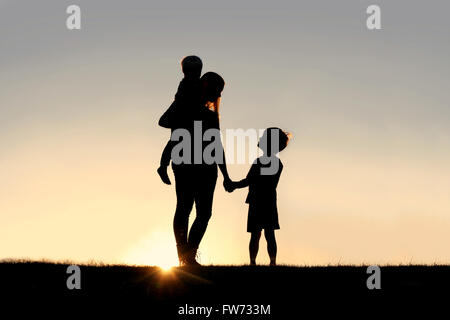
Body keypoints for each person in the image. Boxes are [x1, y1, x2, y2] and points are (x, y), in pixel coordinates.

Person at [169, 72, 232, 266]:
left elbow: (217, 145)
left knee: (201, 212)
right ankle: (185, 256)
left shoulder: (208, 115)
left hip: (202, 167)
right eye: (217, 89)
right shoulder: (186, 107)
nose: (218, 94)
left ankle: (188, 255)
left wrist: (226, 176)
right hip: (188, 164)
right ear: (207, 86)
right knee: (186, 208)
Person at [228, 128, 291, 266]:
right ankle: (269, 262)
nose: (260, 139)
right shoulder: (276, 163)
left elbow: (250, 180)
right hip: (267, 201)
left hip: (258, 202)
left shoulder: (262, 162)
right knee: (268, 234)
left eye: (263, 138)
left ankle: (254, 262)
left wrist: (234, 185)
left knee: (257, 235)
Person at [157, 55, 203, 185]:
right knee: (175, 139)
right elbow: (182, 100)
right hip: (183, 116)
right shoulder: (185, 84)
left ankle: (163, 166)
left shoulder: (197, 84)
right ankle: (163, 166)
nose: (194, 72)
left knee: (175, 140)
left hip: (188, 120)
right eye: (192, 70)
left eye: (196, 70)